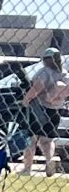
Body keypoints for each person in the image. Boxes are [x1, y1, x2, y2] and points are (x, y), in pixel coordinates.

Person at [25, 46, 67, 175]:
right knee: (48, 140)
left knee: (32, 139)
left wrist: (26, 100)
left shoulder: (44, 72)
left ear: (45, 59)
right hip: (56, 110)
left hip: (40, 109)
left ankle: (27, 169)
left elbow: (36, 89)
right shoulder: (63, 73)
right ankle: (49, 162)